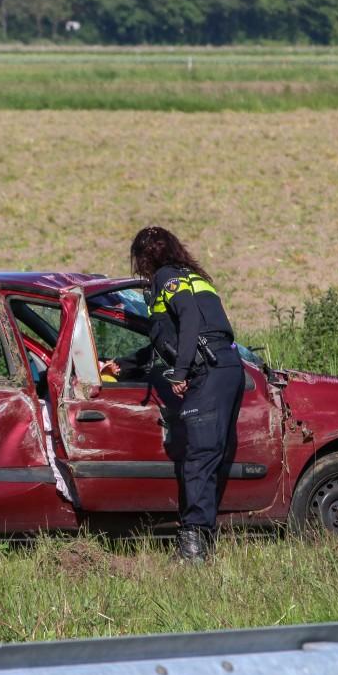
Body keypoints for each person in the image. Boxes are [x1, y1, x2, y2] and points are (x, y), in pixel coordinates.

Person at [128, 225, 243, 562]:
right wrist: (128, 363)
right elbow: (177, 334)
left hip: (207, 370)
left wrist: (180, 373)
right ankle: (202, 541)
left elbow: (189, 319)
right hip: (226, 366)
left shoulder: (167, 277)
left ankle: (193, 549)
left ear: (145, 258)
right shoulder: (193, 277)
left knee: (198, 459)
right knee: (210, 457)